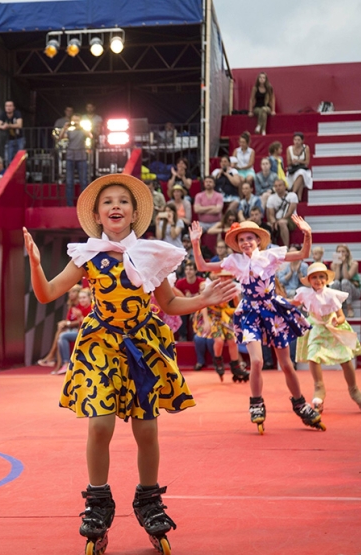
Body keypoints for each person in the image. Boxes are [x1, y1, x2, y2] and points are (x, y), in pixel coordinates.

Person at [23, 174, 237, 555]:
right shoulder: (88, 255)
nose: (116, 206)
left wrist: (204, 299)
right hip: (100, 344)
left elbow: (170, 304)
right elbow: (48, 293)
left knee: (147, 431)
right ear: (98, 215)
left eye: (123, 200)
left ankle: (148, 500)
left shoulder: (152, 254)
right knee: (100, 423)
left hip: (142, 344)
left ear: (135, 213)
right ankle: (98, 502)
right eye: (108, 202)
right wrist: (37, 266)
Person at [191, 217, 322, 433]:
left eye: (249, 238)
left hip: (272, 310)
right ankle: (256, 403)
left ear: (258, 240)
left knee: (286, 364)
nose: (245, 242)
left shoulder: (270, 255)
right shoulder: (235, 261)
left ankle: (300, 404)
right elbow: (202, 265)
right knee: (257, 362)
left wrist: (307, 234)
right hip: (250, 312)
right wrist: (196, 243)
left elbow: (302, 255)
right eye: (241, 239)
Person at [292, 263, 361, 414]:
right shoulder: (305, 293)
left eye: (321, 277)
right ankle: (319, 387)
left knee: (346, 359)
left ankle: (354, 390)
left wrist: (337, 321)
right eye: (314, 277)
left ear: (327, 279)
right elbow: (292, 303)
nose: (318, 280)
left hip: (332, 328)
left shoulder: (331, 295)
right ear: (309, 280)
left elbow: (341, 316)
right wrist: (273, 302)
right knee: (313, 356)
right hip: (316, 329)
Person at [196, 271, 250, 381]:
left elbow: (237, 305)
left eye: (228, 277)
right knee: (219, 340)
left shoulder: (234, 287)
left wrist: (236, 297)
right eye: (223, 277)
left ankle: (236, 366)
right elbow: (204, 304)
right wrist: (206, 321)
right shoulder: (210, 286)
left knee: (232, 340)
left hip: (224, 315)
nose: (225, 279)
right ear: (219, 277)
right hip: (212, 316)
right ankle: (218, 361)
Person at [37, 284, 82, 369]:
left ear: (78, 293)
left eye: (73, 292)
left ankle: (56, 359)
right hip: (72, 330)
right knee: (60, 333)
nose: (70, 294)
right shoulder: (71, 306)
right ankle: (56, 363)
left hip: (79, 330)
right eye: (69, 292)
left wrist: (67, 324)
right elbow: (68, 320)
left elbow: (82, 320)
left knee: (61, 335)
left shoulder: (83, 304)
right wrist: (64, 323)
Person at [328, 244, 361, 318]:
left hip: (354, 291)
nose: (341, 253)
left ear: (347, 253)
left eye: (343, 251)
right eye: (339, 252)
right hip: (340, 289)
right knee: (336, 283)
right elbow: (336, 278)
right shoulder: (333, 265)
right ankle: (338, 309)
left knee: (344, 282)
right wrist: (338, 266)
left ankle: (349, 308)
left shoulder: (354, 264)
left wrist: (344, 264)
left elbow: (347, 277)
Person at [65, 114, 91, 207]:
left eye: (77, 120)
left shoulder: (82, 130)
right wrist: (65, 127)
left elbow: (90, 136)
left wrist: (82, 127)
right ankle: (69, 204)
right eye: (74, 120)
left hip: (81, 157)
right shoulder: (69, 130)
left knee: (83, 181)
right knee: (69, 182)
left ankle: (84, 205)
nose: (75, 122)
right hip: (70, 157)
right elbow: (60, 137)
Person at [266, 178, 298, 247]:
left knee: (282, 222)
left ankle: (286, 247)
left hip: (291, 219)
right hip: (277, 218)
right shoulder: (271, 198)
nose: (278, 187)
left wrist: (278, 221)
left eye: (280, 185)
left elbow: (290, 212)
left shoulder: (292, 195)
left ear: (285, 186)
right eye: (276, 186)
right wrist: (274, 222)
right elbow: (271, 214)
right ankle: (268, 246)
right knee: (267, 225)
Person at [0, 100, 24, 167]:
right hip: (9, 139)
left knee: (20, 156)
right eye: (7, 106)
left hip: (19, 138)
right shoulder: (3, 114)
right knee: (8, 158)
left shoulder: (17, 113)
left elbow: (19, 125)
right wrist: (3, 127)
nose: (8, 107)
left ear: (13, 107)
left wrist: (8, 126)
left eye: (10, 106)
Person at [286, 133, 312, 200]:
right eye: (295, 140)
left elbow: (307, 162)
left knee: (301, 173)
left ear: (302, 141)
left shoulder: (306, 148)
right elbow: (288, 163)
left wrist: (298, 161)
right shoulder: (289, 149)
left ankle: (293, 193)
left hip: (303, 169)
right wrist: (293, 162)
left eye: (298, 140)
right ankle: (298, 197)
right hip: (293, 170)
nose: (296, 142)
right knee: (300, 174)